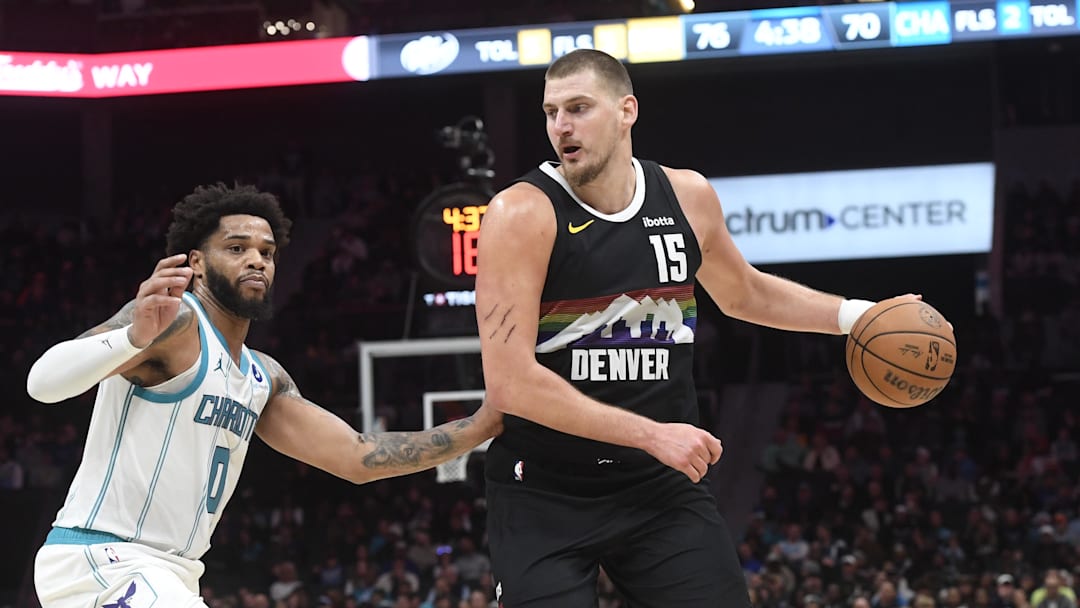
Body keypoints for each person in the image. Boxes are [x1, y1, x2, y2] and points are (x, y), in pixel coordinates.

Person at [474, 48, 909, 607]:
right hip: (545, 489)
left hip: (656, 488)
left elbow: (744, 293)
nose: (561, 126)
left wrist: (857, 315)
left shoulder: (687, 197)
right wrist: (653, 434)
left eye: (579, 108)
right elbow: (510, 383)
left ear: (627, 111)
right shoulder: (520, 214)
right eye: (551, 111)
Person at [26, 184, 502, 607]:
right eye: (236, 248)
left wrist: (486, 423)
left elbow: (358, 457)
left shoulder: (262, 377)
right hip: (104, 560)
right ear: (195, 262)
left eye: (267, 252)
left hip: (172, 574)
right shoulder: (171, 322)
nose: (256, 260)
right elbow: (42, 384)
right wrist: (132, 337)